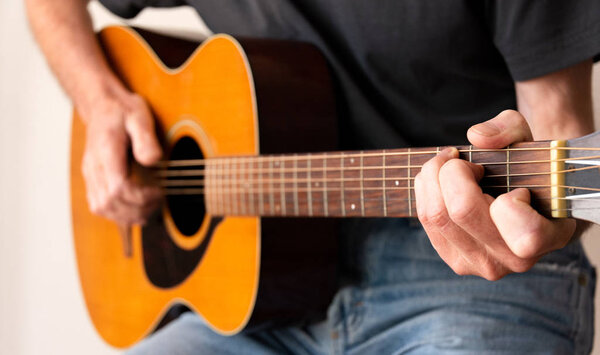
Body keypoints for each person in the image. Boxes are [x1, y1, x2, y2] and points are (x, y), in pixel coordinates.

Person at [26, 0, 600, 353]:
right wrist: (99, 103)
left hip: (472, 282)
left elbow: (562, 136)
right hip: (265, 295)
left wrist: (545, 225)